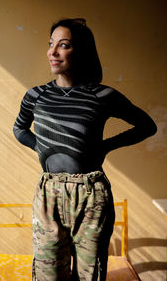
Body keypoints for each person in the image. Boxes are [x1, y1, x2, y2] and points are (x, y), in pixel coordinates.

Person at [13, 18, 157, 281]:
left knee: (89, 276)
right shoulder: (36, 96)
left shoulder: (102, 96)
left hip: (91, 195)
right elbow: (19, 129)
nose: (53, 52)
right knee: (47, 274)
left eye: (63, 45)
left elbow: (147, 126)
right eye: (51, 44)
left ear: (80, 51)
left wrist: (106, 146)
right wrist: (41, 148)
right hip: (49, 195)